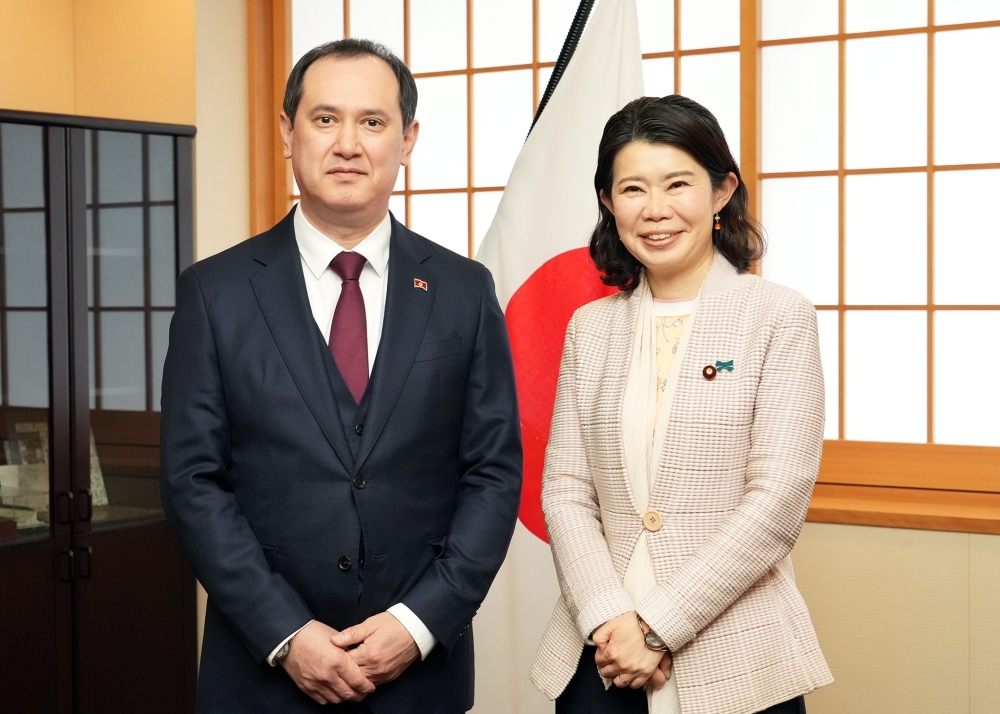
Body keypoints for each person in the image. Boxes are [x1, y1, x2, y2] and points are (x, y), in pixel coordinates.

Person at [160, 38, 522, 714]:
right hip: (261, 676)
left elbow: (494, 474)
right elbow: (192, 480)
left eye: (373, 122)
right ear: (287, 133)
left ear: (408, 139)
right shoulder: (216, 293)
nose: (348, 143)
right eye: (325, 119)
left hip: (419, 679)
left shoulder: (463, 291)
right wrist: (286, 633)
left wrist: (418, 625)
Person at [529, 95, 833, 714]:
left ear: (722, 192)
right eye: (633, 189)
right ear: (609, 203)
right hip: (600, 651)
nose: (656, 210)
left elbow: (777, 499)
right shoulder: (589, 327)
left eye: (678, 184)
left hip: (738, 657)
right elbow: (564, 489)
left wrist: (657, 627)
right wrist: (612, 618)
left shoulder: (778, 316)